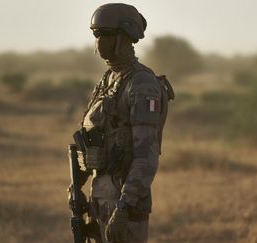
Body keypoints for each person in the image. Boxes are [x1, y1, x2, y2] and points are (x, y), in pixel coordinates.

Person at [72, 3, 173, 243]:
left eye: (104, 34)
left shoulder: (141, 84)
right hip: (101, 199)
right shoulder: (108, 80)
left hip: (124, 207)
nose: (98, 40)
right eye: (95, 34)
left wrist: (124, 207)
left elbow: (146, 156)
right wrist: (77, 184)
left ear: (125, 36)